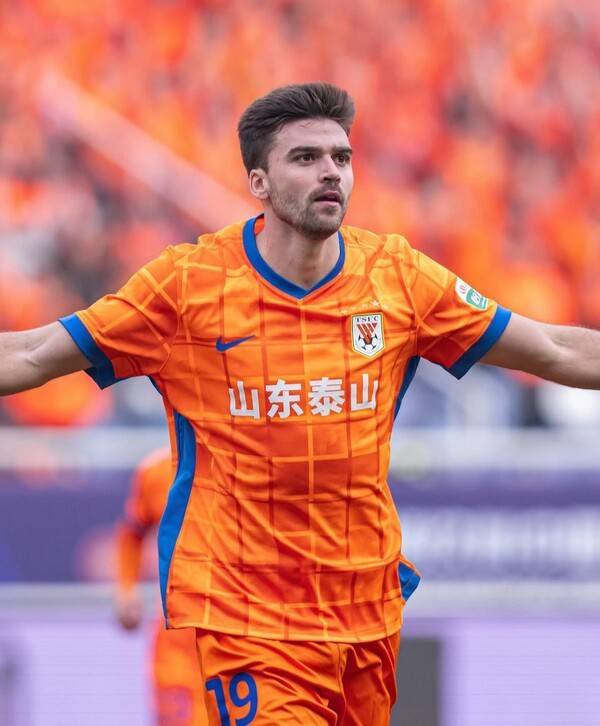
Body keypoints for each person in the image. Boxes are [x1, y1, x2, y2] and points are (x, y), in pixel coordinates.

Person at [2, 81, 599, 724]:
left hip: (366, 613)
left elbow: (554, 349)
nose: (330, 172)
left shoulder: (397, 278)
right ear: (258, 182)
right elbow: (33, 354)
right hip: (248, 620)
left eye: (341, 157)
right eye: (306, 158)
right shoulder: (187, 286)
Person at [115, 447, 207, 726]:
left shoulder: (244, 460)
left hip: (235, 632)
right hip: (176, 638)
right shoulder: (156, 471)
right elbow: (132, 533)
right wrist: (126, 591)